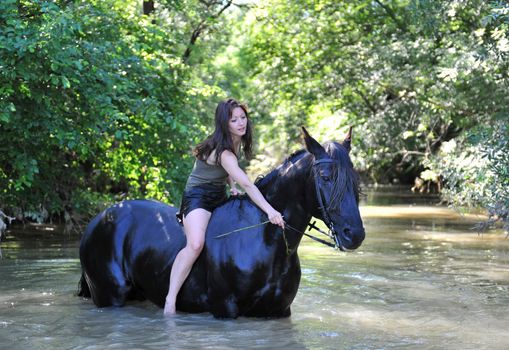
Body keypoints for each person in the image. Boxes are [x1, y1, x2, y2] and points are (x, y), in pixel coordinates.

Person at [163, 98, 285, 315]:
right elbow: (247, 182)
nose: (240, 123)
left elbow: (229, 170)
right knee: (196, 245)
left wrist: (231, 185)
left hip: (219, 193)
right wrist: (270, 210)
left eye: (243, 117)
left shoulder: (234, 141)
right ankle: (170, 300)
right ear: (224, 123)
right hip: (198, 197)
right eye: (234, 120)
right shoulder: (223, 150)